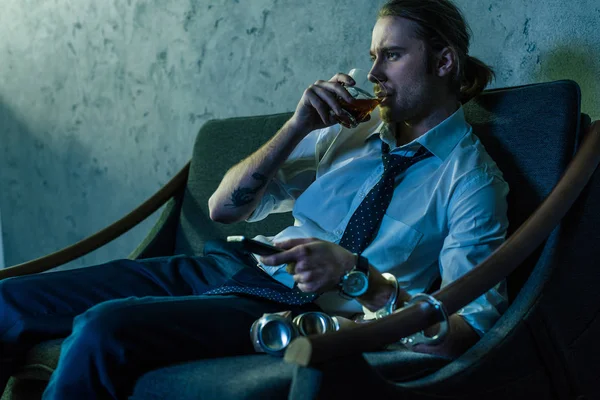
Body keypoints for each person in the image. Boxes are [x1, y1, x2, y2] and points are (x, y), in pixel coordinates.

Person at [0, 0, 508, 398]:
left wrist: (358, 276)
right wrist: (298, 126)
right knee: (8, 300)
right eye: (373, 55)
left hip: (284, 306)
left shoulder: (472, 181)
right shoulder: (351, 132)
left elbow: (465, 330)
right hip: (228, 265)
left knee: (100, 331)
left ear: (443, 61)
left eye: (392, 56)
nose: (373, 72)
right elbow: (224, 209)